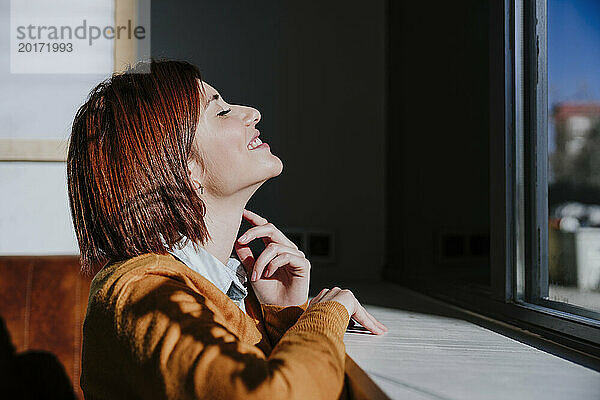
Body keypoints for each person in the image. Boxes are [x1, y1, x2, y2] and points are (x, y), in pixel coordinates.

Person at [67, 58, 388, 400]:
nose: (252, 113)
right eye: (219, 112)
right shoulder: (142, 293)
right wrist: (326, 314)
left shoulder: (218, 290)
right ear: (183, 167)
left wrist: (282, 317)